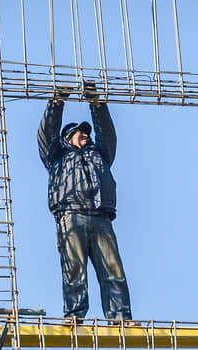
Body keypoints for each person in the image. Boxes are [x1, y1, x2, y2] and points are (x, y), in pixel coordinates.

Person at [37, 82, 133, 323]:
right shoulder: (57, 155)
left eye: (87, 132)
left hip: (101, 217)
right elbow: (47, 132)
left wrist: (97, 105)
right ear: (68, 138)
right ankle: (74, 316)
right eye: (81, 132)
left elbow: (107, 133)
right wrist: (56, 103)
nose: (86, 135)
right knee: (74, 269)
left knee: (113, 270)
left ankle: (120, 317)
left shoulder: (100, 154)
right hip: (71, 215)